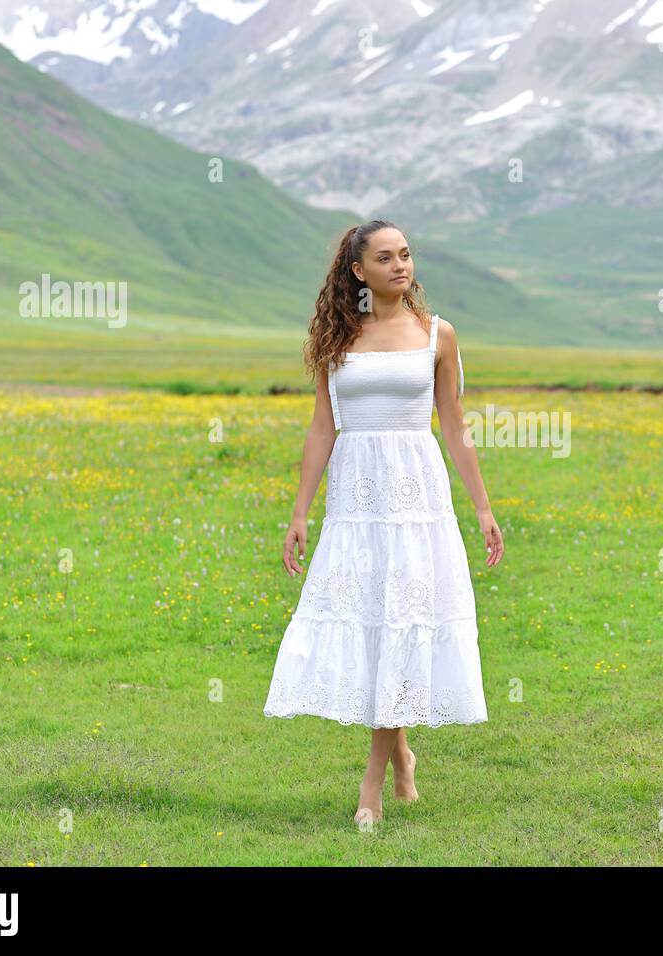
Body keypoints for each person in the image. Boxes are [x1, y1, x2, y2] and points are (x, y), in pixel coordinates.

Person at [263, 219, 504, 828]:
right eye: (385, 257)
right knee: (372, 621)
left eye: (406, 254)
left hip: (416, 498)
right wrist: (299, 513)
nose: (401, 265)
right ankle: (400, 753)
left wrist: (482, 507)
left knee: (400, 619)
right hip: (356, 499)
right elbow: (323, 428)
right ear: (357, 270)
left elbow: (454, 426)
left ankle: (372, 779)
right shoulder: (334, 338)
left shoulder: (437, 335)